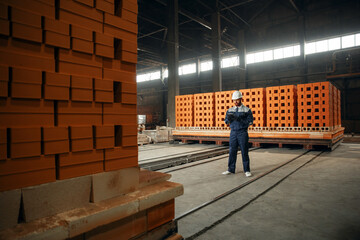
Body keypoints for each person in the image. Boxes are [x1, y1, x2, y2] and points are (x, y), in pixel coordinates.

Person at [222, 91, 253, 177]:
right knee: (232, 151)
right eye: (234, 100)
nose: (235, 102)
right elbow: (226, 121)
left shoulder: (247, 110)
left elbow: (250, 122)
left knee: (244, 151)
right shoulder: (230, 110)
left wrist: (241, 119)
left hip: (242, 132)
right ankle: (231, 169)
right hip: (233, 132)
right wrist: (228, 120)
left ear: (241, 99)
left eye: (237, 100)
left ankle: (247, 170)